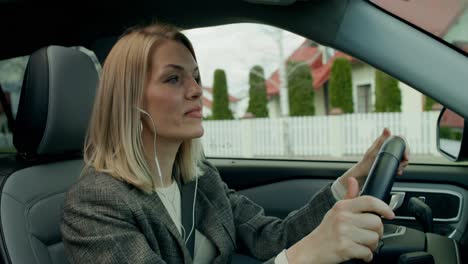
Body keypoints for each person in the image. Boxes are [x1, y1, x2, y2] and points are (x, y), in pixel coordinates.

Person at [60, 23, 409, 264]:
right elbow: (289, 252)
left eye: (196, 76)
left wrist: (353, 179)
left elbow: (270, 237)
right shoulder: (95, 204)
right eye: (173, 78)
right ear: (128, 100)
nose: (197, 89)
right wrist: (302, 257)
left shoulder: (200, 179)